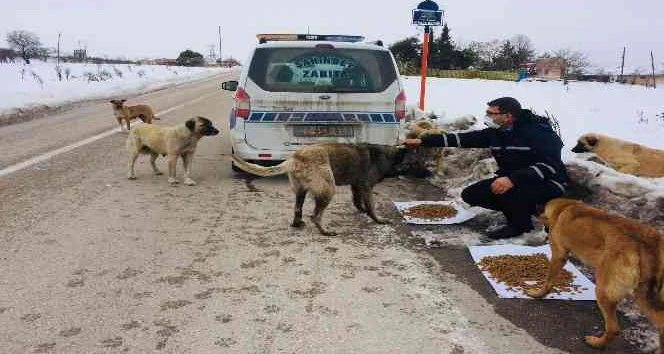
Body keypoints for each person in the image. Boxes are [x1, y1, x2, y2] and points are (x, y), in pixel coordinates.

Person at [402, 97, 570, 239]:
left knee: (509, 190)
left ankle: (520, 226)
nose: (487, 116)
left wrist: (512, 179)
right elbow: (464, 139)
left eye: (491, 113)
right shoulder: (497, 132)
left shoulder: (539, 133)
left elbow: (550, 166)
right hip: (513, 180)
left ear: (507, 116)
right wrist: (424, 141)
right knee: (471, 194)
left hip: (549, 183)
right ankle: (523, 208)